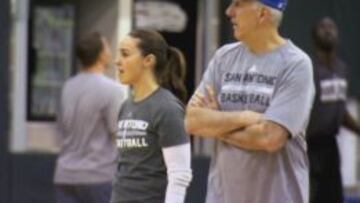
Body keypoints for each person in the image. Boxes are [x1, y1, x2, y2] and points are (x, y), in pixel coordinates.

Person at [185, 0, 315, 202]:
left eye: (238, 4)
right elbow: (192, 121)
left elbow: (270, 138)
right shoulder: (223, 58)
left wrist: (217, 123)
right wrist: (244, 118)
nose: (229, 12)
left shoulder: (296, 64)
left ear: (262, 14)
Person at [110, 29, 192, 203]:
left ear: (148, 60)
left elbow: (180, 174)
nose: (117, 61)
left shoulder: (167, 108)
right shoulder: (126, 105)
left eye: (125, 54)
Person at [54, 32, 125, 203]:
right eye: (108, 47)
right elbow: (119, 135)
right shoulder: (112, 90)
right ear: (101, 55)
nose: (111, 52)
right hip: (98, 178)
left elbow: (61, 128)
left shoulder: (67, 87)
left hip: (65, 176)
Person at [306, 17, 360, 203]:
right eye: (322, 27)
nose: (328, 30)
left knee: (334, 197)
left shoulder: (342, 69)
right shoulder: (309, 70)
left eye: (331, 27)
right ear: (314, 37)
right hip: (308, 147)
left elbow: (340, 111)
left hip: (331, 146)